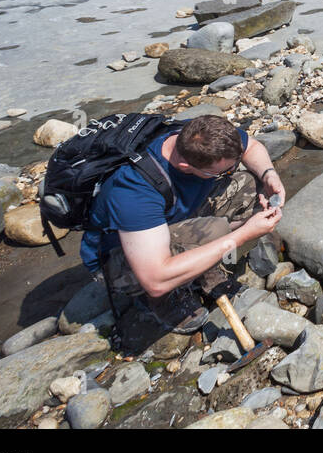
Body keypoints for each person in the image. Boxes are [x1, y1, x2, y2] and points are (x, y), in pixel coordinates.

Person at [79, 114, 285, 333]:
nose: (230, 172)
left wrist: (269, 175)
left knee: (253, 185)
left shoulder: (197, 135)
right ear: (185, 166)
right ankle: (163, 300)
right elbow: (154, 279)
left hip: (171, 217)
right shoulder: (134, 192)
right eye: (223, 171)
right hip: (123, 260)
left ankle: (201, 269)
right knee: (216, 231)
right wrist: (241, 235)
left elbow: (250, 147)